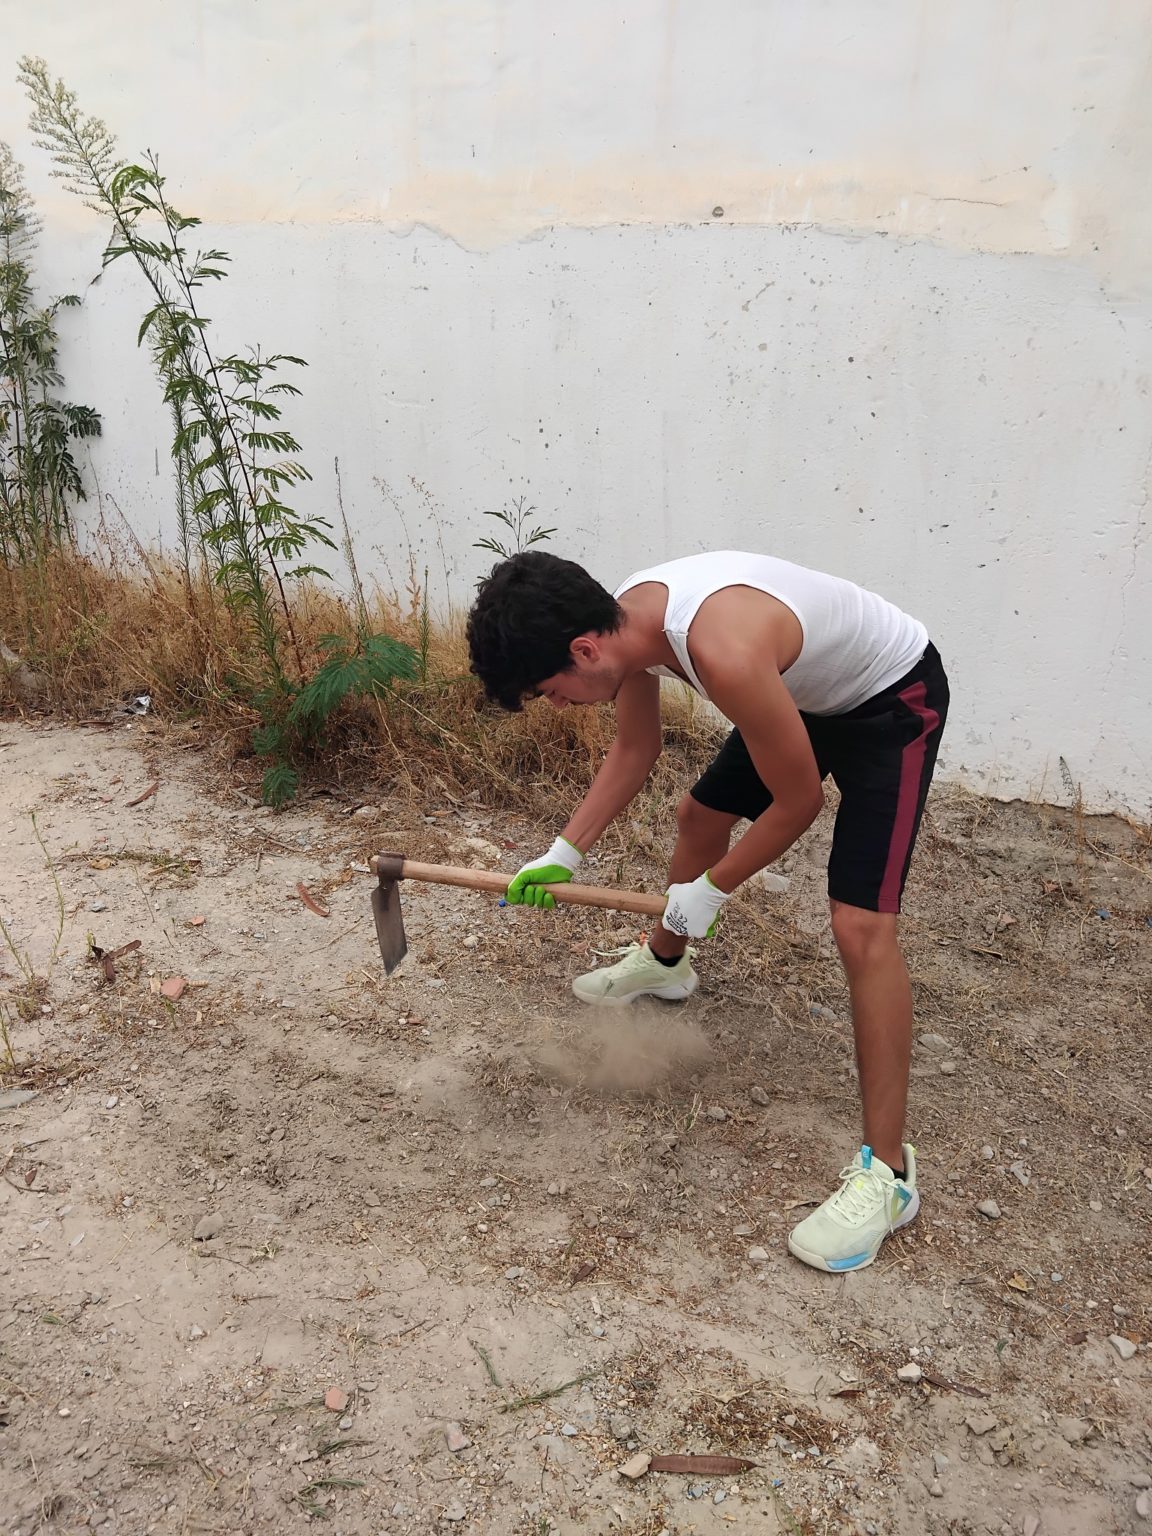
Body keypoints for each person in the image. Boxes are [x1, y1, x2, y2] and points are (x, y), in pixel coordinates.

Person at [466, 549, 949, 1273]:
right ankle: (666, 961)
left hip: (890, 700)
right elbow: (636, 748)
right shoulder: (624, 619)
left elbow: (800, 804)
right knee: (700, 815)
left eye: (551, 691)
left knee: (860, 926)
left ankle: (889, 1177)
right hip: (805, 696)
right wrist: (564, 851)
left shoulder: (719, 650)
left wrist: (714, 888)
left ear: (583, 649)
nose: (559, 706)